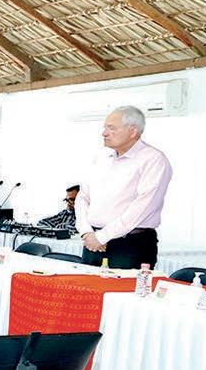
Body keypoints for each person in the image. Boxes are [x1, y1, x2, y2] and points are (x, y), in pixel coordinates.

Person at [74, 106, 173, 268]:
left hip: (130, 245)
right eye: (105, 128)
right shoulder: (102, 157)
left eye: (111, 128)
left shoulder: (153, 159)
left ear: (132, 131)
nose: (104, 133)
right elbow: (83, 196)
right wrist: (86, 231)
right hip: (92, 242)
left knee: (125, 285)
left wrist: (102, 237)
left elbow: (143, 206)